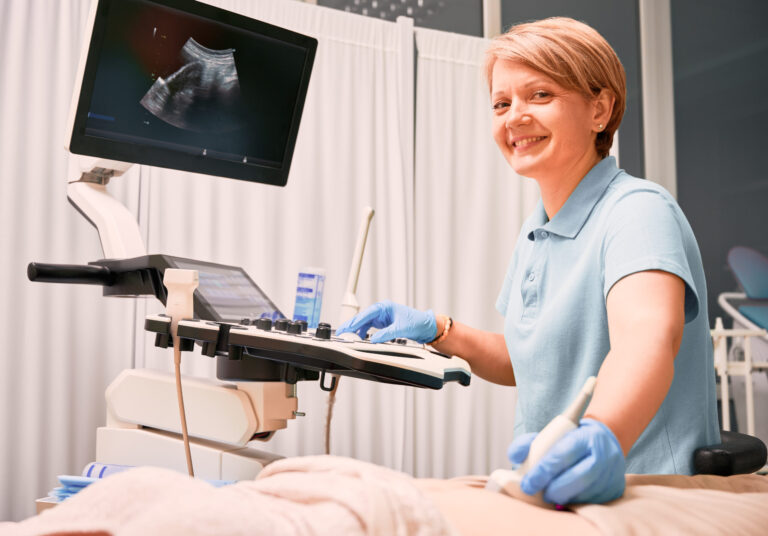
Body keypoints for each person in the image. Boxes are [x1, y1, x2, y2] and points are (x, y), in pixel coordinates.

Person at [336, 17, 719, 506]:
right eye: (501, 103)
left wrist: (603, 434)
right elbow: (526, 361)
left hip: (641, 491)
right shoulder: (537, 231)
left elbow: (648, 339)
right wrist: (439, 328)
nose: (514, 116)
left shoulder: (638, 211)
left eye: (540, 95)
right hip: (550, 490)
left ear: (599, 110)